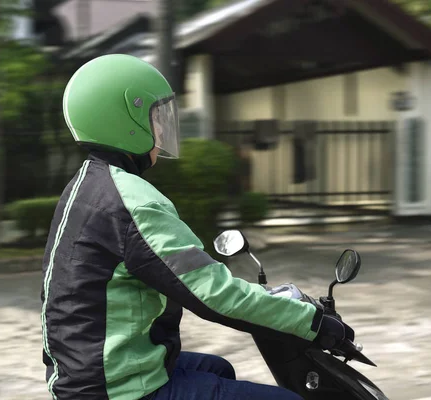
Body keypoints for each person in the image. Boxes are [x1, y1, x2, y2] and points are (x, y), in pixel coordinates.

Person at [41, 54, 353, 400]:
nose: (161, 130)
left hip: (84, 368)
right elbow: (212, 294)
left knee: (218, 369)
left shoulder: (87, 185)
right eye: (155, 118)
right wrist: (312, 323)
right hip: (113, 388)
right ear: (125, 118)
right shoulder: (132, 201)